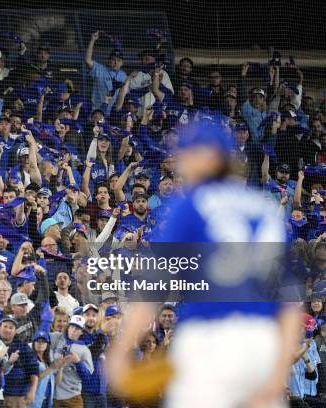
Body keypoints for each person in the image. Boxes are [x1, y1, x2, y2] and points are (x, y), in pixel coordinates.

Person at [107, 120, 299, 408]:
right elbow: (290, 303)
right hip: (261, 341)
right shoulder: (264, 209)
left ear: (211, 156)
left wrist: (121, 349)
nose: (181, 162)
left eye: (189, 153)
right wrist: (279, 367)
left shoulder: (190, 205)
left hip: (210, 338)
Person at [50, 315, 94, 407]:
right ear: (68, 327)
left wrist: (78, 362)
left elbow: (88, 377)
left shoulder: (84, 350)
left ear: (82, 332)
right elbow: (42, 336)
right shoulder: (58, 338)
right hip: (54, 397)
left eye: (77, 328)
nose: (73, 330)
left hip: (73, 398)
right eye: (72, 326)